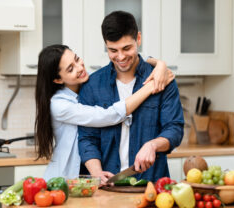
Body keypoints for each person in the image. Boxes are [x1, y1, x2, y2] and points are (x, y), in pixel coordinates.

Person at [34, 44, 174, 181]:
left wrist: (159, 63)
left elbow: (136, 59)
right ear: (58, 79)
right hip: (63, 180)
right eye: (70, 69)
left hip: (87, 179)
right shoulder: (59, 105)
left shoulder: (88, 85)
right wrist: (150, 87)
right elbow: (108, 116)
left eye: (77, 59)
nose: (80, 68)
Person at [78, 11, 184, 185]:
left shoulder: (161, 78)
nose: (120, 57)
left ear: (138, 39)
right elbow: (87, 138)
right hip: (108, 186)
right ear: (106, 45)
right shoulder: (92, 85)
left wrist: (153, 145)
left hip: (151, 184)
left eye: (127, 48)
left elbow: (175, 129)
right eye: (113, 50)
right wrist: (97, 173)